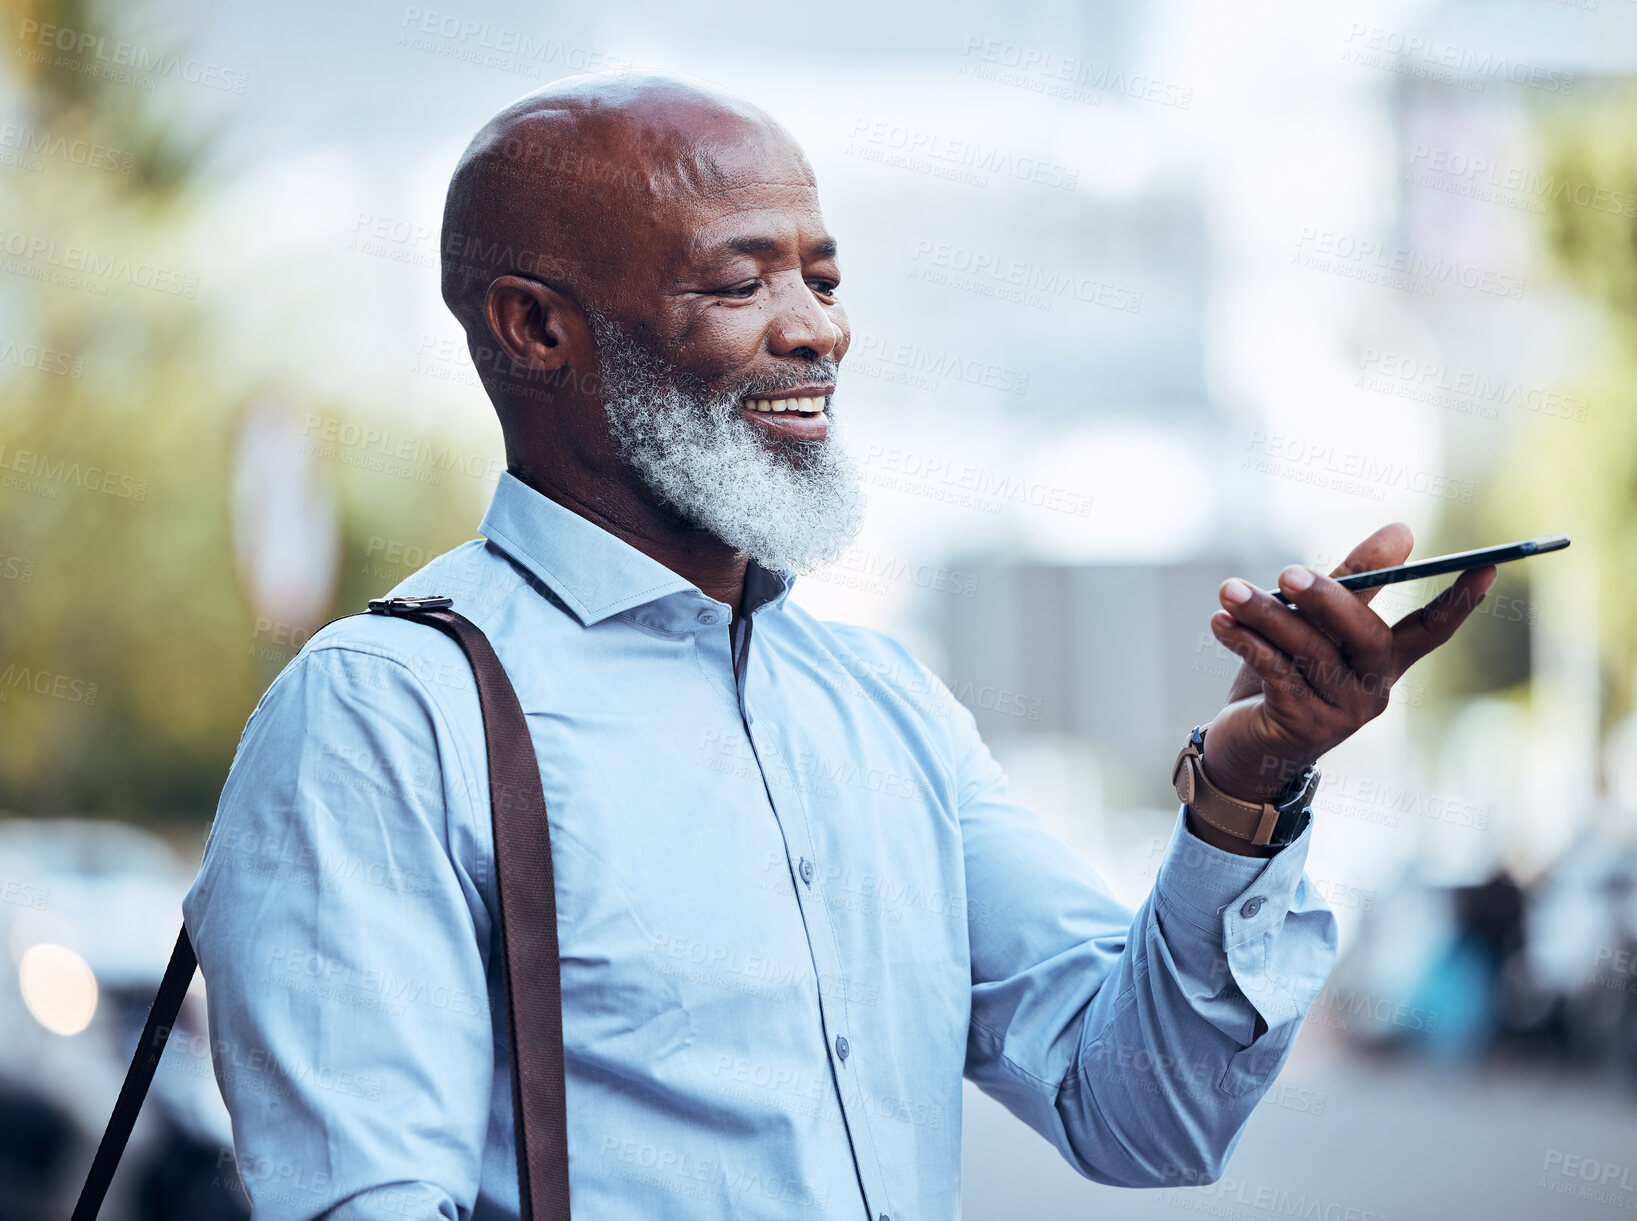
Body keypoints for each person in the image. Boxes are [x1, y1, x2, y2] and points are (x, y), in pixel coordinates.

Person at [182, 72, 1498, 1220]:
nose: (818, 329)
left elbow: (1139, 1115)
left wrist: (1243, 789)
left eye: (820, 275)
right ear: (536, 328)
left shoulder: (880, 706)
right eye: (740, 280)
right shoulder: (385, 718)